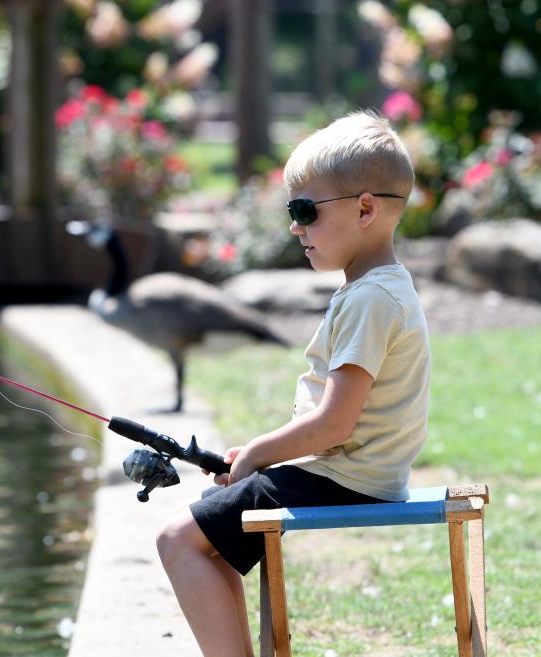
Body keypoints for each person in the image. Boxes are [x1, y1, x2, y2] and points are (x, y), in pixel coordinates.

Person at [155, 109, 431, 657]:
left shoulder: (370, 299)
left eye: (304, 211)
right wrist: (270, 458)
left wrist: (259, 452)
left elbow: (334, 424)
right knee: (204, 535)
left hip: (344, 477)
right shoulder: (380, 290)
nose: (294, 226)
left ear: (366, 209)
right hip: (350, 471)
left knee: (176, 540)